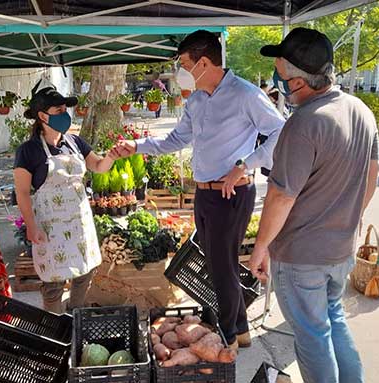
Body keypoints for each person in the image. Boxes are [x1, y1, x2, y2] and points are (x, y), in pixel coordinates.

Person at [114, 29, 285, 350]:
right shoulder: (196, 100)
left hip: (232, 194)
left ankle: (228, 339)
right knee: (218, 263)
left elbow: (280, 132)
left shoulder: (246, 94)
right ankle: (242, 329)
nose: (181, 72)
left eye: (184, 64)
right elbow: (175, 140)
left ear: (204, 63)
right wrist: (135, 146)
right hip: (205, 194)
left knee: (221, 267)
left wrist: (245, 164)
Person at [249, 27, 379, 383]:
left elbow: (281, 195)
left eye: (281, 73)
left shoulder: (304, 123)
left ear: (299, 81)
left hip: (301, 256)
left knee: (313, 338)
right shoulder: (360, 110)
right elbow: (372, 174)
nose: (278, 80)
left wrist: (260, 248)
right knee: (332, 322)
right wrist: (348, 218)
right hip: (340, 250)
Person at [13, 84, 117, 314]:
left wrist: (112, 155)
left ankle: (75, 315)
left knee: (85, 271)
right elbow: (21, 192)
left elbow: (99, 166)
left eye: (64, 109)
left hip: (79, 223)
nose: (65, 115)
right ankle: (54, 325)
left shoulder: (75, 142)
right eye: (59, 110)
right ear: (42, 116)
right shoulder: (28, 151)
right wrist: (31, 226)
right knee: (53, 282)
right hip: (50, 228)